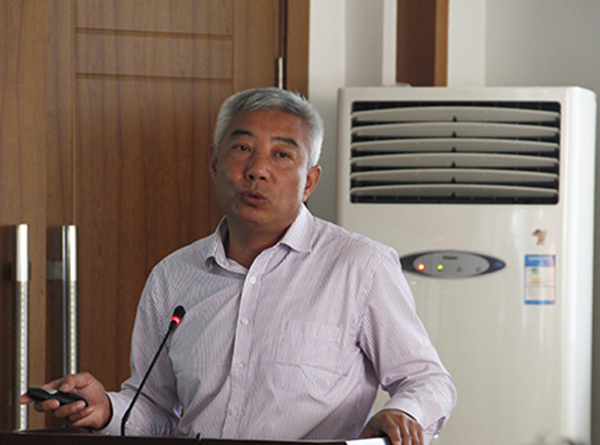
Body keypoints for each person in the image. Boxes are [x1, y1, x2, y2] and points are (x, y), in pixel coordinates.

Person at [21, 87, 456, 444]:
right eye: (242, 148)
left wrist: (403, 413)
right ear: (215, 162)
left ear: (309, 181)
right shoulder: (173, 276)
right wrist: (106, 409)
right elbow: (155, 409)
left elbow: (427, 380)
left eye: (282, 155)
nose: (257, 170)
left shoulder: (360, 266)